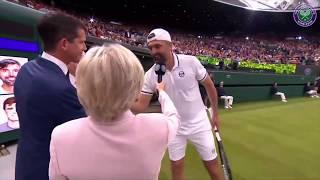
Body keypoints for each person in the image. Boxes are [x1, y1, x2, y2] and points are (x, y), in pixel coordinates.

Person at [49, 44, 180, 180]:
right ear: (136, 89)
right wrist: (162, 92)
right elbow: (173, 116)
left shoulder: (61, 136)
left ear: (81, 86)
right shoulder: (158, 127)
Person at [132, 28, 223, 180]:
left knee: (212, 167)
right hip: (174, 126)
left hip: (199, 124)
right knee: (176, 169)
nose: (154, 51)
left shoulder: (191, 62)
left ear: (170, 45)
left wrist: (215, 114)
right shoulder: (150, 75)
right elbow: (141, 106)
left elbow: (209, 86)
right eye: (151, 48)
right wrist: (117, 100)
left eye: (158, 46)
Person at [14, 13, 87, 180]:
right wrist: (80, 80)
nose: (84, 48)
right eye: (81, 42)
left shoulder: (26, 69)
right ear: (64, 44)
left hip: (26, 163)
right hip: (47, 170)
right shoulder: (62, 88)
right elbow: (85, 133)